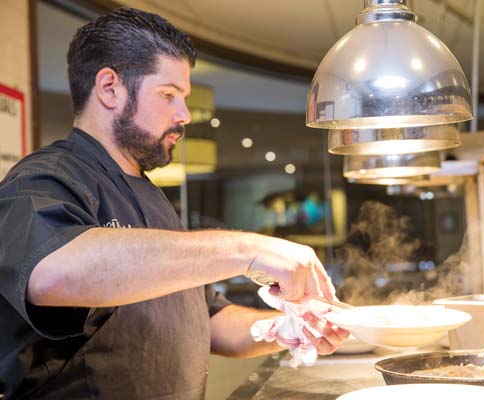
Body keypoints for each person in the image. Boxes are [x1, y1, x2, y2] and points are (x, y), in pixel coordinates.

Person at [0, 7, 348, 399]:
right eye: (168, 95)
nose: (183, 115)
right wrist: (246, 249)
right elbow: (52, 273)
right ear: (109, 88)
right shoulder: (45, 178)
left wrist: (284, 328)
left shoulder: (150, 194)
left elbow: (207, 318)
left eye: (183, 98)